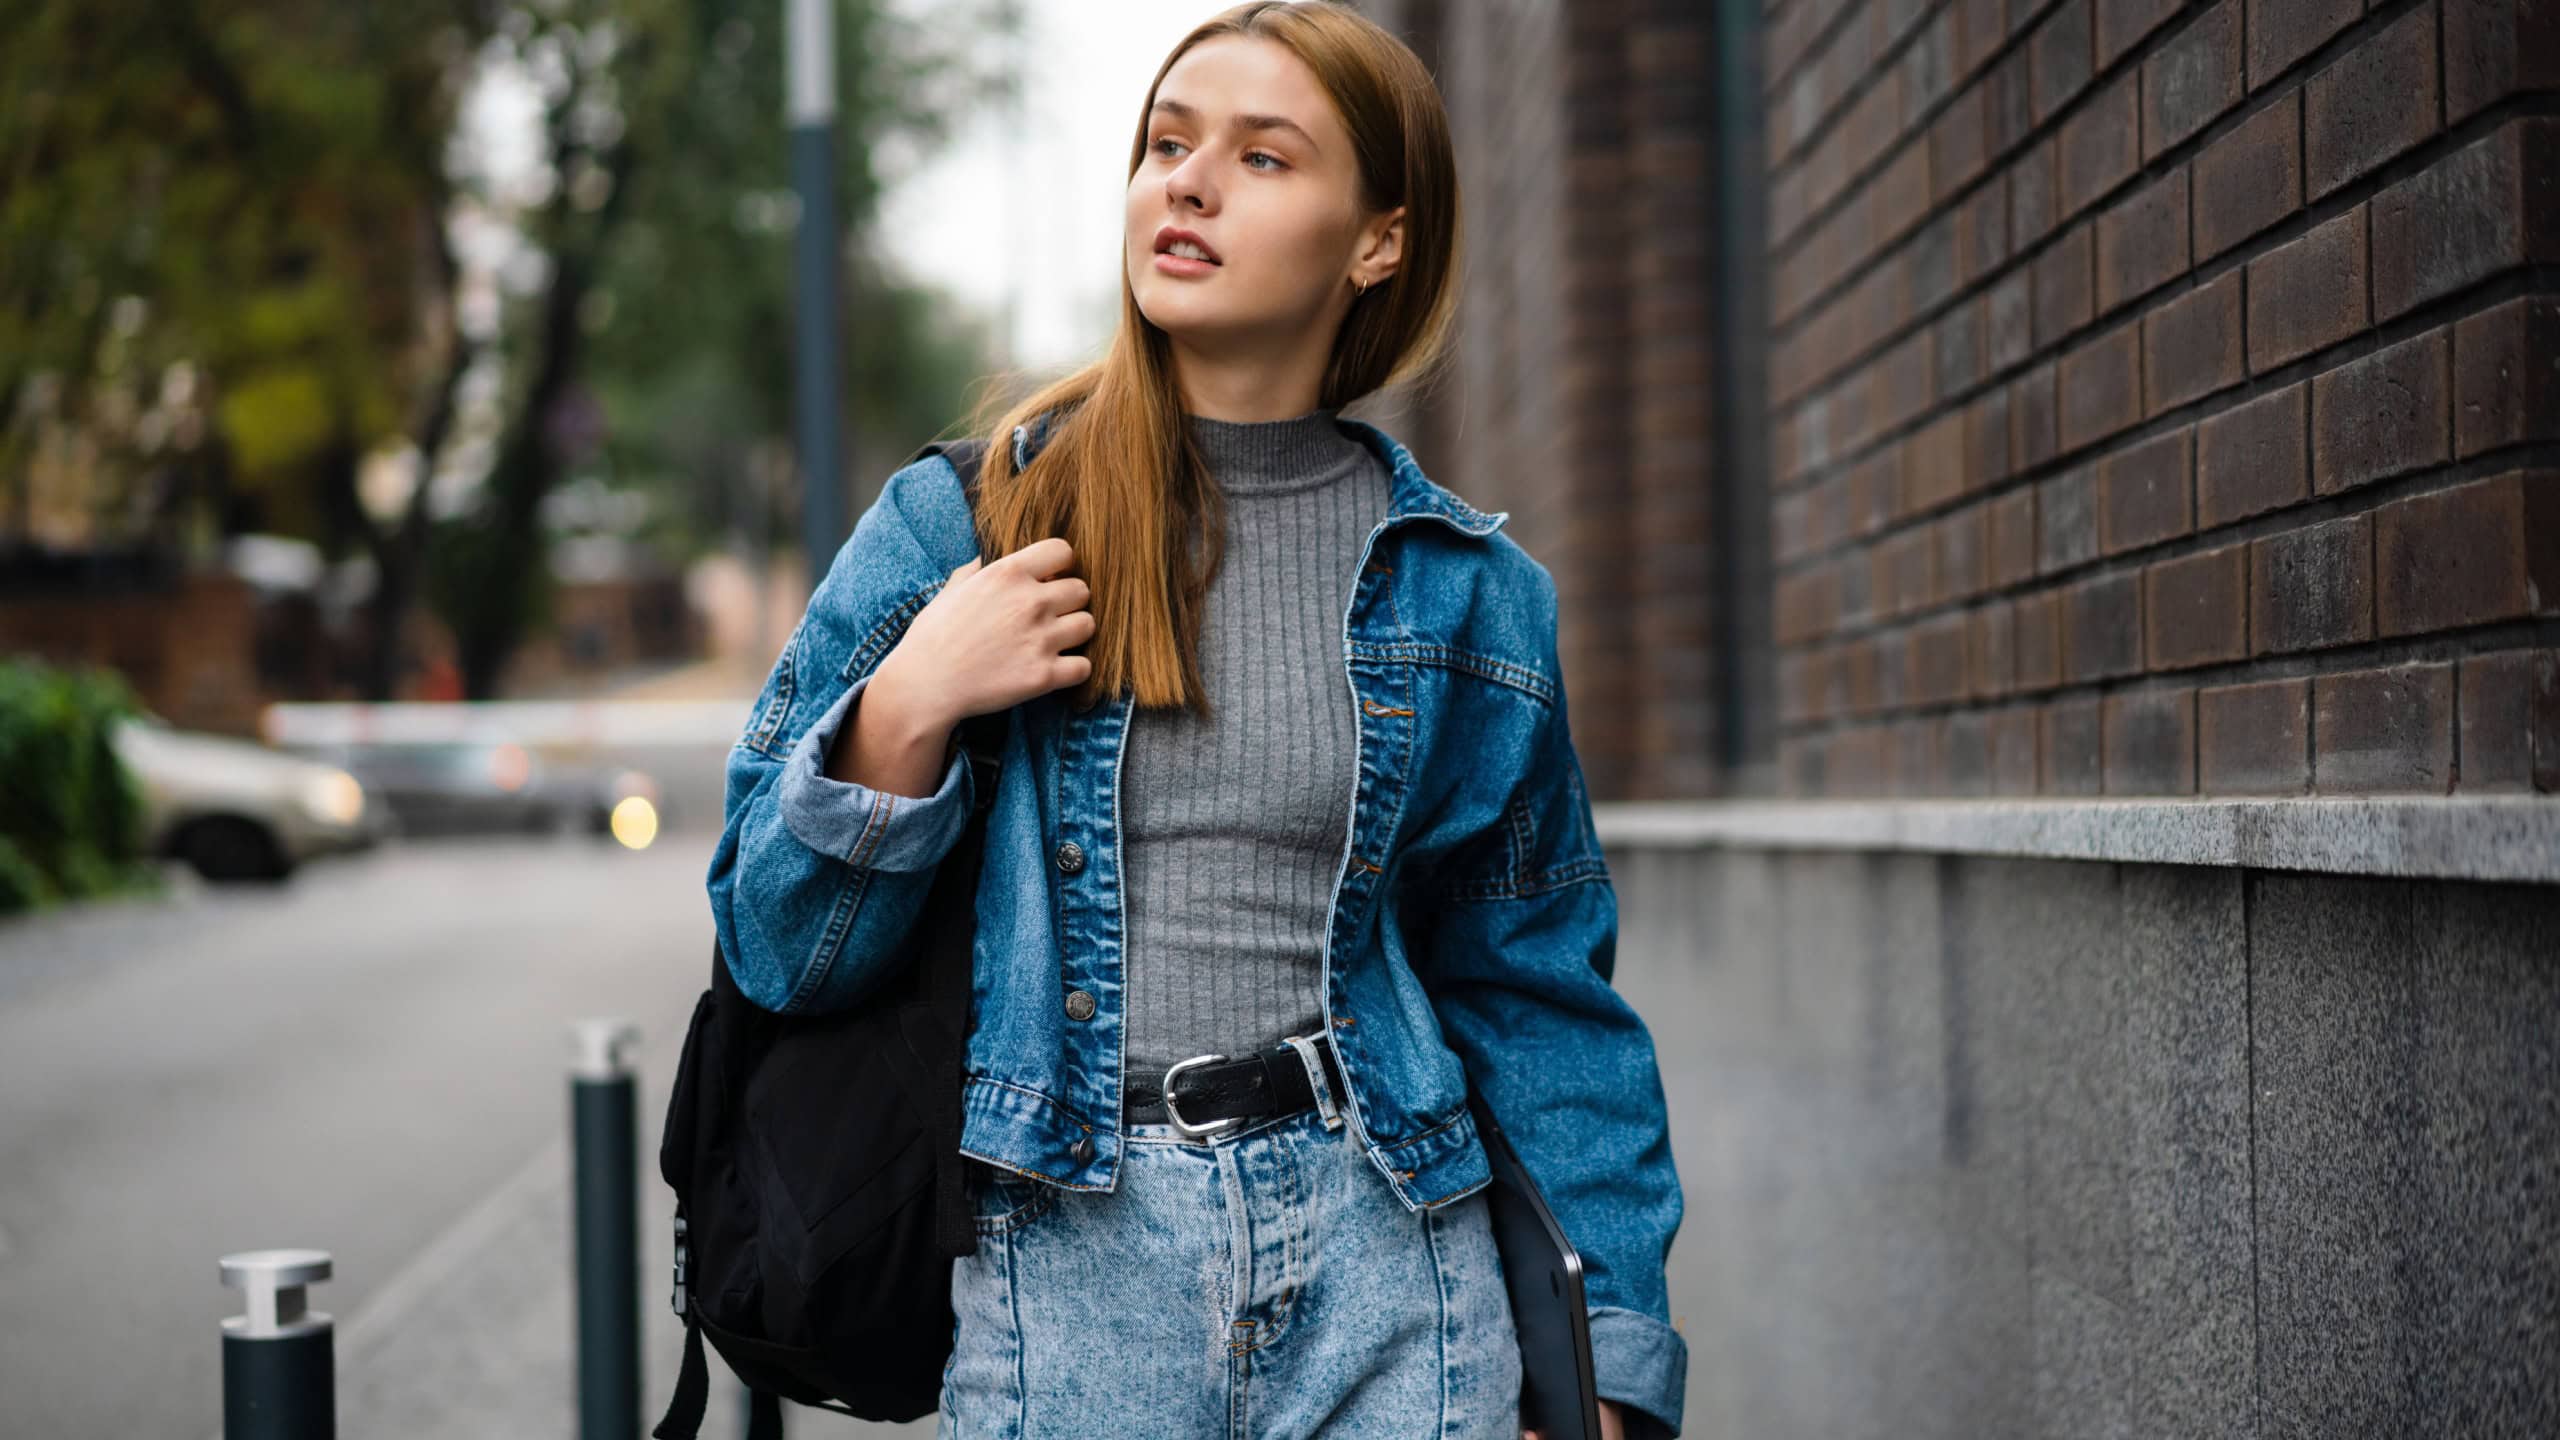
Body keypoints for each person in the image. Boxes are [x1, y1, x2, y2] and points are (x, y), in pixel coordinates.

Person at [705, 4, 1686, 1436]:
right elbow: (771, 942)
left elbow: (1536, 991)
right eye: (1167, 143)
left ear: (1378, 241)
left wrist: (1609, 1365)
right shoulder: (968, 526)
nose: (1188, 181)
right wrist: (909, 702)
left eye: (1263, 157)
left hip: (1393, 1252)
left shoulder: (1466, 594)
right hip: (1074, 1265)